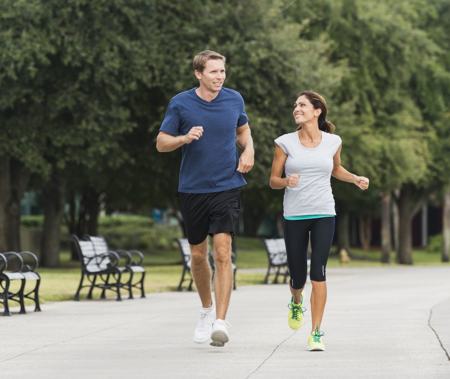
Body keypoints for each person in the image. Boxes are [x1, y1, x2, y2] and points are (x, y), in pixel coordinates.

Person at [156, 50, 254, 347]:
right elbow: (161, 143)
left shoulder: (234, 99)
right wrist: (184, 138)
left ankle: (220, 322)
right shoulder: (181, 103)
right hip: (193, 189)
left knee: (223, 251)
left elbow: (243, 130)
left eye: (222, 71)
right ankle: (205, 309)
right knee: (198, 256)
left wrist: (248, 150)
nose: (220, 77)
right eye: (214, 72)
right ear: (199, 74)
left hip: (226, 185)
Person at [269, 91, 369, 351]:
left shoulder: (333, 141)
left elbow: (336, 169)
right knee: (298, 277)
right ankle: (296, 300)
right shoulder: (284, 143)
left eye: (302, 105)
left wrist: (355, 178)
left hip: (324, 212)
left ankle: (316, 332)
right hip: (294, 215)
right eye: (295, 105)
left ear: (317, 111)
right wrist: (286, 182)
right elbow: (273, 180)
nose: (296, 109)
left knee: (318, 274)